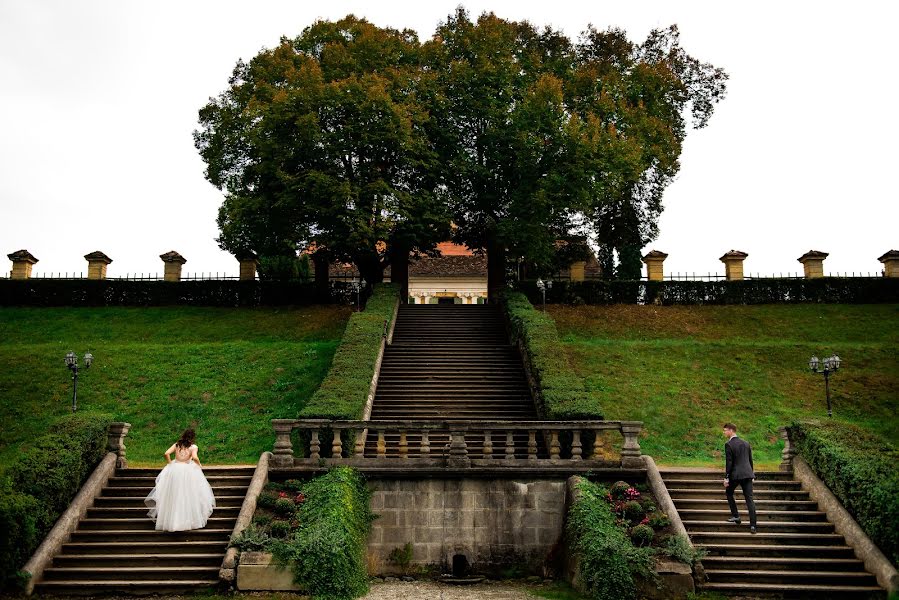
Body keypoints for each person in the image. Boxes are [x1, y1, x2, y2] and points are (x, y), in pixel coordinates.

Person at [144, 428, 216, 531]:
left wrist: (170, 464)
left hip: (175, 470)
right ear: (193, 437)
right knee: (186, 495)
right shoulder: (193, 447)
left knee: (174, 494)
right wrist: (199, 464)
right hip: (187, 471)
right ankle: (186, 521)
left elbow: (166, 453)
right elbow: (195, 458)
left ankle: (171, 522)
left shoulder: (177, 444)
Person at [722, 422, 757, 534]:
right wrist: (752, 474)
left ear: (731, 430)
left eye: (725, 430)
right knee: (749, 499)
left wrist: (726, 478)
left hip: (736, 475)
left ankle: (736, 516)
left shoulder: (729, 444)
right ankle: (753, 526)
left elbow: (729, 463)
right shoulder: (746, 443)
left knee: (728, 492)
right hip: (747, 474)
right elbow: (750, 460)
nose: (724, 432)